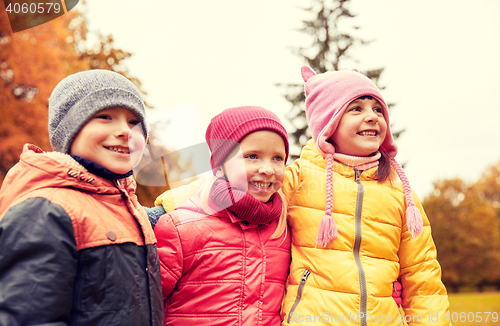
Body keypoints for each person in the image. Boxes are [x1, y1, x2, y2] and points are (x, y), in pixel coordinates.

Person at [279, 66, 451, 325]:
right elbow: (240, 196)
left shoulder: (401, 192)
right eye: (356, 108)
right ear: (328, 121)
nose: (372, 116)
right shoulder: (298, 178)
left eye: (377, 109)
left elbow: (423, 278)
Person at [0, 70, 163, 326]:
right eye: (105, 117)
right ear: (70, 130)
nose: (124, 130)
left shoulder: (126, 205)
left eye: (134, 123)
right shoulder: (46, 211)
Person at [153, 106, 291, 325]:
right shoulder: (181, 227)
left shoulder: (285, 228)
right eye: (252, 156)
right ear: (219, 167)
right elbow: (145, 304)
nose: (268, 169)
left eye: (277, 158)